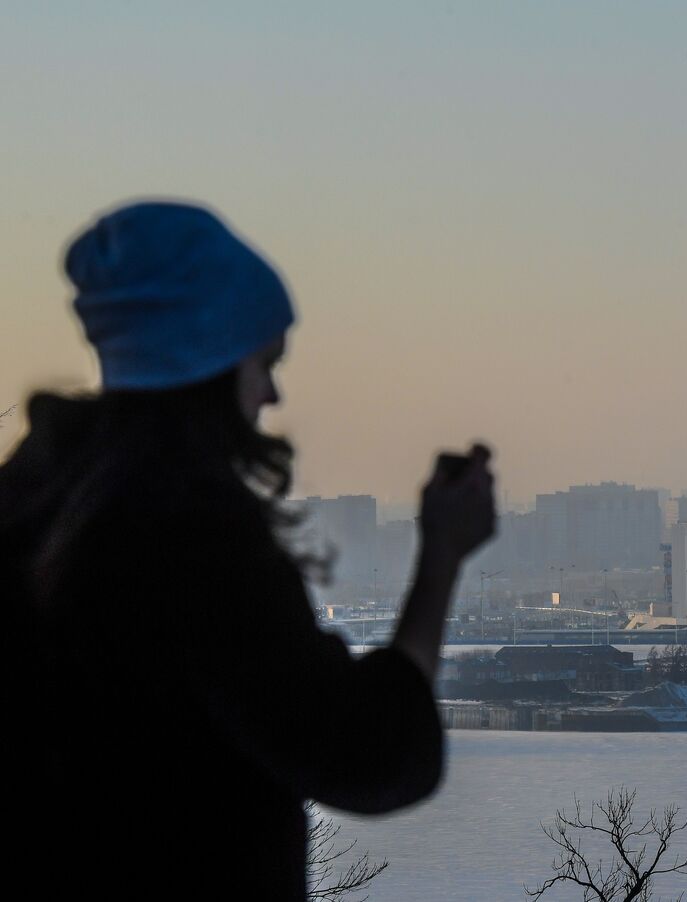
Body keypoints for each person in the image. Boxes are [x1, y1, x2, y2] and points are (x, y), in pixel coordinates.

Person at [2, 201, 496, 898]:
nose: (272, 392)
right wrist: (442, 558)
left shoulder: (30, 501)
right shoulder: (189, 537)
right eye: (263, 362)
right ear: (207, 362)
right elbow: (369, 755)